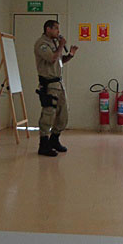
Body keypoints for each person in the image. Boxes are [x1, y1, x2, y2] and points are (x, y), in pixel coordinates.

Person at [33, 20, 78, 157]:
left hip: (58, 83)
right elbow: (52, 58)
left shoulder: (53, 43)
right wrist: (61, 45)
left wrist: (69, 55)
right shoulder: (42, 44)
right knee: (48, 113)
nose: (58, 31)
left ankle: (54, 139)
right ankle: (44, 144)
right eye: (56, 28)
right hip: (49, 84)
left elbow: (58, 60)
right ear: (48, 29)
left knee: (63, 114)